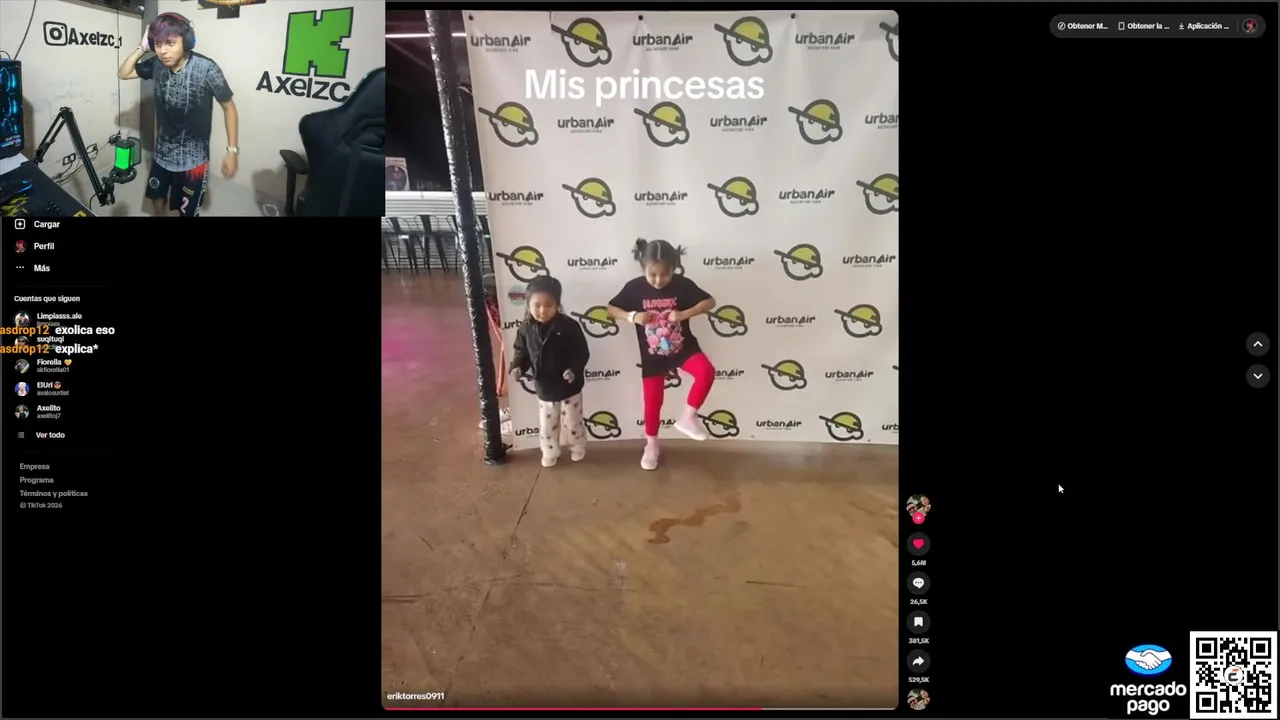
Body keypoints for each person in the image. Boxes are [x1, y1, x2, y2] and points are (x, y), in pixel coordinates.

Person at [606, 239, 718, 470]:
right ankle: (651, 445)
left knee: (706, 371)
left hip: (683, 348)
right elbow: (611, 308)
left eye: (665, 274)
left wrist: (685, 314)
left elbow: (710, 302)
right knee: (652, 402)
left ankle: (688, 417)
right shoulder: (635, 287)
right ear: (643, 268)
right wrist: (633, 316)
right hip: (652, 355)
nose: (658, 280)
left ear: (674, 268)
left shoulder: (682, 284)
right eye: (652, 275)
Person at [116, 13, 238, 217]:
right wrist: (141, 49)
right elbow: (123, 73)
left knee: (187, 211)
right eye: (157, 44)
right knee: (156, 199)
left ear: (187, 41)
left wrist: (232, 151)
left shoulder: (207, 69)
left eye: (170, 43)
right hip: (162, 153)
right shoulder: (156, 64)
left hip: (194, 159)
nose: (163, 51)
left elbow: (229, 108)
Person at [508, 275, 591, 468]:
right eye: (537, 305)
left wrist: (573, 370)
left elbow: (581, 353)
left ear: (558, 304)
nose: (542, 310)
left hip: (570, 386)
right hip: (545, 386)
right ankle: (549, 451)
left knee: (573, 421)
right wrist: (517, 367)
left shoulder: (570, 326)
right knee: (548, 424)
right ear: (528, 304)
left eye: (549, 305)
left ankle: (578, 446)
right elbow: (521, 353)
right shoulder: (525, 329)